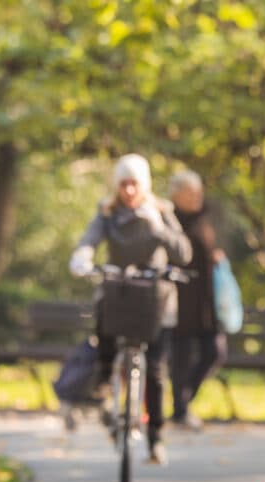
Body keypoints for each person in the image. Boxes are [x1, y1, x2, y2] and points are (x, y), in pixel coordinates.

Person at [69, 153, 192, 465]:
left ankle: (156, 439)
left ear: (144, 184)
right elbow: (89, 239)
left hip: (156, 300)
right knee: (106, 343)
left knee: (154, 369)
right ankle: (103, 395)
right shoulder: (108, 213)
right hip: (119, 294)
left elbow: (184, 253)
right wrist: (82, 258)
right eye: (123, 184)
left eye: (134, 183)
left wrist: (158, 228)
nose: (128, 191)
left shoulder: (162, 211)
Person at [167, 170, 227, 431]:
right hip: (179, 301)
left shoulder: (203, 218)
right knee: (179, 357)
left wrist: (215, 256)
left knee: (215, 351)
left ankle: (182, 401)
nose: (197, 197)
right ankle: (180, 410)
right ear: (176, 194)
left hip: (205, 302)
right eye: (191, 193)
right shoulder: (169, 220)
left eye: (199, 192)